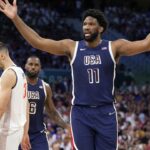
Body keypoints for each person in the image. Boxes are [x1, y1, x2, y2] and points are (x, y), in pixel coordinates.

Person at [0, 1, 150, 149]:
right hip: (80, 113)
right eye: (85, 24)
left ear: (101, 28)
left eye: (91, 24)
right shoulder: (72, 47)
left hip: (106, 111)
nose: (86, 27)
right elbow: (38, 41)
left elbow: (145, 44)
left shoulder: (114, 46)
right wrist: (15, 18)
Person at [19, 56, 69, 150]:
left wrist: (66, 126)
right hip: (19, 133)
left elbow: (52, 112)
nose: (33, 67)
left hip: (38, 135)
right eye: (30, 64)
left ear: (40, 68)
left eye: (36, 65)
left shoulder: (45, 87)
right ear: (25, 66)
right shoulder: (18, 84)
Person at [0, 42, 28, 150]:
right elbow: (26, 104)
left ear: (2, 56)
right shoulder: (20, 71)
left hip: (8, 131)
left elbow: (1, 108)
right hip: (17, 130)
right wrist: (25, 131)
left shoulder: (8, 74)